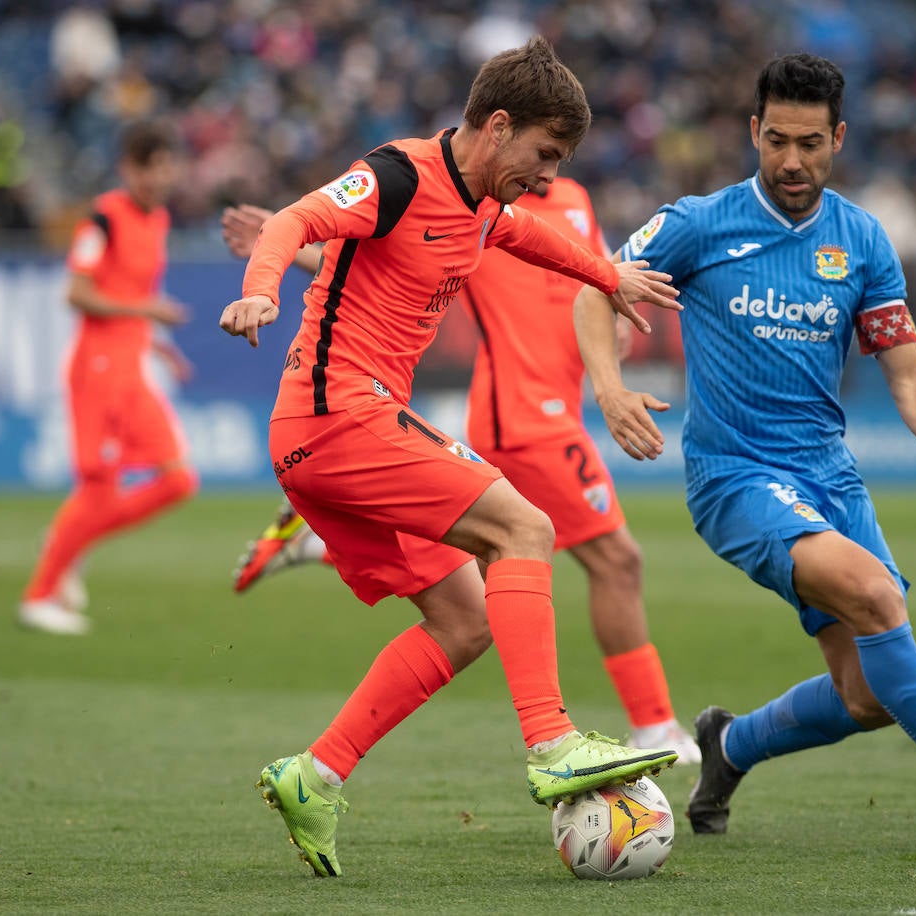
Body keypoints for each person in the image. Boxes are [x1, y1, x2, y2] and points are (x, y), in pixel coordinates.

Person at [573, 52, 916, 848]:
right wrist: (608, 388)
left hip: (829, 477)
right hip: (734, 477)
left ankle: (728, 746)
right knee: (879, 598)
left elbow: (908, 374)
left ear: (838, 138)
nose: (791, 161)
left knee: (868, 693)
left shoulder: (863, 239)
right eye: (776, 140)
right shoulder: (699, 223)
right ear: (753, 131)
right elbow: (595, 287)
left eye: (810, 143)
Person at [218, 37, 682, 877]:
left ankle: (315, 775)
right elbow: (295, 220)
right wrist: (263, 286)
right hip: (336, 417)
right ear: (497, 126)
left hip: (340, 432)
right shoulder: (398, 174)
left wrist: (609, 276)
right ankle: (550, 742)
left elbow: (528, 238)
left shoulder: (481, 203)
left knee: (465, 624)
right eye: (542, 155)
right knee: (525, 527)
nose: (545, 176)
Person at [221, 178, 701, 763]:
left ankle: (328, 543)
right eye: (543, 147)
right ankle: (639, 727)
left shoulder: (572, 198)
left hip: (558, 408)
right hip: (522, 416)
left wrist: (614, 321)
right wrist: (279, 252)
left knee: (482, 577)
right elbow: (386, 266)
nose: (548, 167)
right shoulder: (480, 202)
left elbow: (599, 278)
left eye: (559, 151)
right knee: (601, 557)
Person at [17, 119, 199, 635]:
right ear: (129, 168)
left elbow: (134, 300)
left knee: (178, 479)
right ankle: (40, 596)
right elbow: (77, 293)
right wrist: (146, 310)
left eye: (168, 168)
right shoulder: (102, 220)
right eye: (151, 168)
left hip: (132, 366)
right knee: (98, 488)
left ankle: (68, 541)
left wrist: (160, 347)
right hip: (97, 370)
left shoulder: (159, 219)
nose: (160, 179)